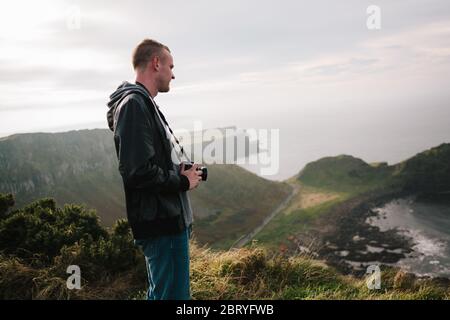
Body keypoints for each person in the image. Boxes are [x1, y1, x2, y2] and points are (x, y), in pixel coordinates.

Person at [106, 39, 202, 300]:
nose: (173, 73)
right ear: (155, 63)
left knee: (164, 294)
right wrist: (181, 182)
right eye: (170, 66)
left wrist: (177, 169)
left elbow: (147, 163)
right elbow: (138, 171)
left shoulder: (141, 103)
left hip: (165, 222)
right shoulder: (135, 106)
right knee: (172, 297)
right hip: (162, 224)